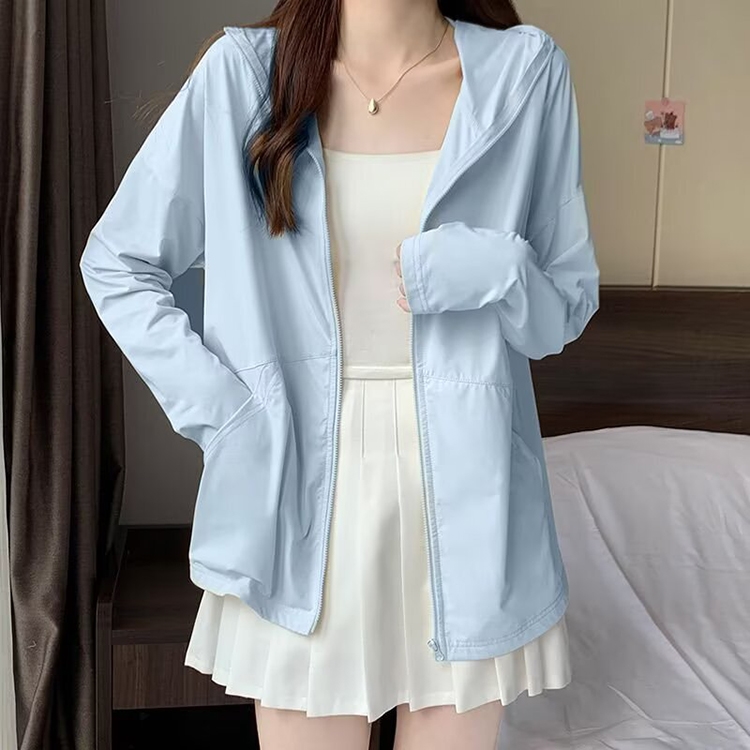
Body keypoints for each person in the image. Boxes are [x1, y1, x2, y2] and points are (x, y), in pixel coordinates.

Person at [79, 0, 599, 747]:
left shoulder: (524, 74)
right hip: (296, 489)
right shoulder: (244, 78)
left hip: (473, 494)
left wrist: (504, 268)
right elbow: (118, 261)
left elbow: (564, 309)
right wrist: (227, 414)